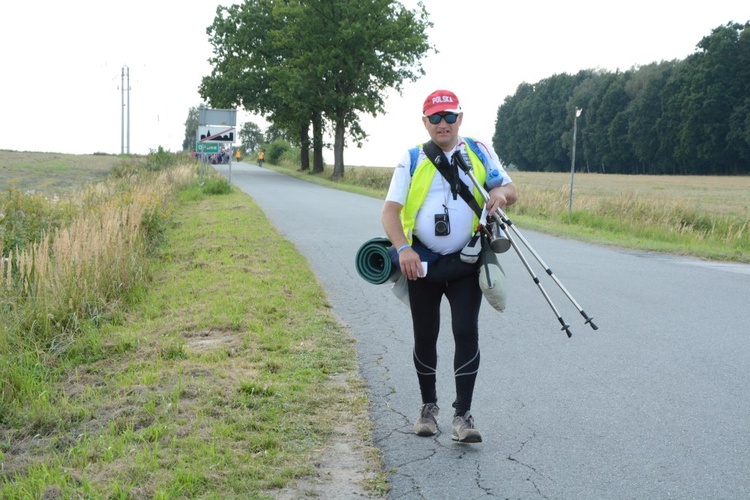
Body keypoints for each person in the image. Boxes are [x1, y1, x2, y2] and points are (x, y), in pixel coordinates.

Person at [380, 89, 518, 443]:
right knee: (425, 335)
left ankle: (463, 416)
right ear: (425, 121)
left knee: (465, 331)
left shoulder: (478, 150)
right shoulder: (410, 159)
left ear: (460, 118)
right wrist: (404, 249)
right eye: (435, 118)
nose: (444, 124)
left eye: (449, 116)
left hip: (466, 261)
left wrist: (500, 195)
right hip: (421, 263)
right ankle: (428, 408)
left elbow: (510, 189)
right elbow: (390, 212)